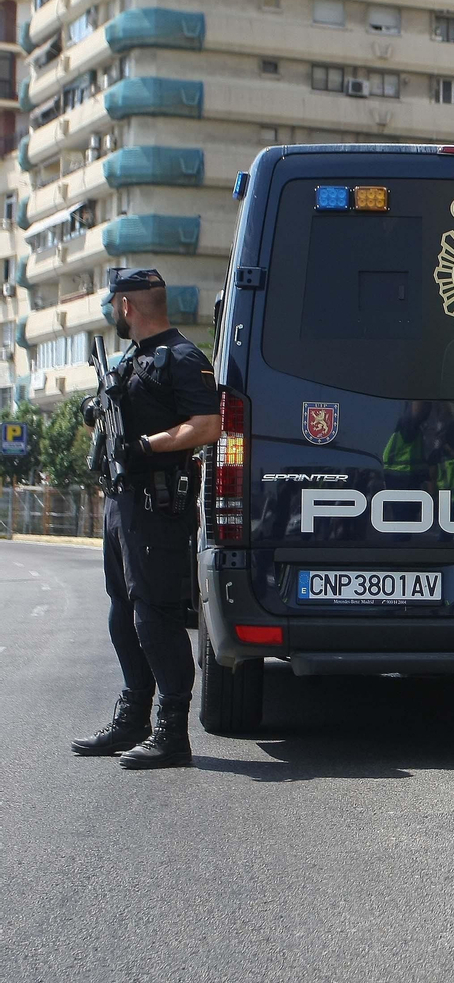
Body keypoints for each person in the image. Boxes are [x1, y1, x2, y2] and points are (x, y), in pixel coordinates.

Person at [70, 268, 221, 769]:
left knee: (154, 615)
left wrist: (143, 446)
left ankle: (171, 733)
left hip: (159, 504)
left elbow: (207, 425)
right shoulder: (130, 360)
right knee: (124, 611)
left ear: (127, 306)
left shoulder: (182, 357)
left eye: (113, 304)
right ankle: (132, 717)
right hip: (123, 501)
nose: (112, 314)